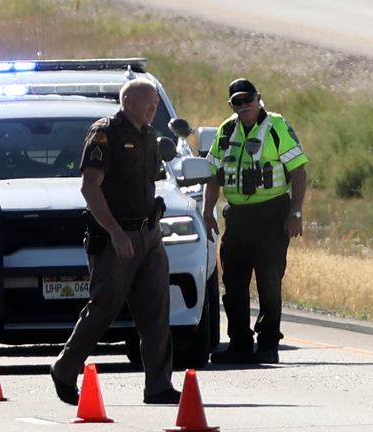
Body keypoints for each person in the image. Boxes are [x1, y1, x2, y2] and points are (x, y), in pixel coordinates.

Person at [52, 72, 179, 407]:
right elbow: (90, 187)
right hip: (116, 237)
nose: (153, 109)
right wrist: (116, 233)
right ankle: (65, 369)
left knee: (156, 311)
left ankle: (159, 386)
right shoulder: (105, 133)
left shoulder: (149, 134)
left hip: (149, 234)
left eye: (156, 103)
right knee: (104, 308)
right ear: (127, 102)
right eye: (148, 103)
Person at [210, 77, 308, 365]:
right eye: (237, 101)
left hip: (272, 214)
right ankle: (239, 344)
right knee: (233, 283)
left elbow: (299, 171)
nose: (244, 105)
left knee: (269, 282)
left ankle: (267, 344)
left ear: (258, 97)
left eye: (248, 99)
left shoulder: (277, 126)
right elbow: (213, 174)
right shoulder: (226, 130)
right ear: (231, 105)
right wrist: (206, 211)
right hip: (237, 217)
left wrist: (296, 212)